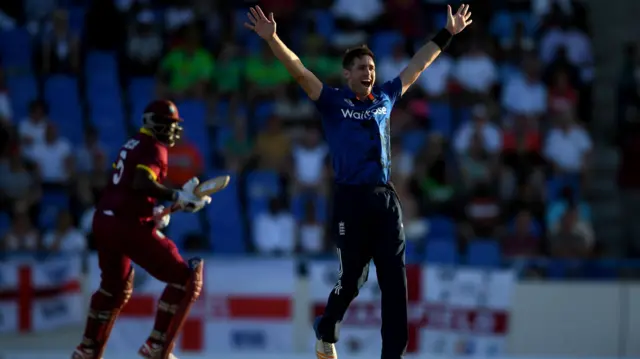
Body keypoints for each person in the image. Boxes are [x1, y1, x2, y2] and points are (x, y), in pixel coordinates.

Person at [245, 4, 472, 359]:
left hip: (384, 199)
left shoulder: (385, 97)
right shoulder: (333, 101)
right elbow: (301, 73)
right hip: (349, 201)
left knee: (395, 283)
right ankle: (327, 330)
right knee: (353, 278)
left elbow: (419, 65)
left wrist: (448, 33)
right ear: (348, 74)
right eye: (362, 68)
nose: (369, 72)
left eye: (372, 67)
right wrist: (273, 38)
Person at [71, 100, 212, 359]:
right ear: (152, 123)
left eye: (174, 125)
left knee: (113, 289)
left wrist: (152, 211)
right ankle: (157, 346)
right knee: (186, 278)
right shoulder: (154, 148)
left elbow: (125, 187)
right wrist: (175, 195)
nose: (171, 130)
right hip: (126, 225)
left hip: (104, 220)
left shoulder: (132, 142)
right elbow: (141, 182)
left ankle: (87, 350)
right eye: (167, 124)